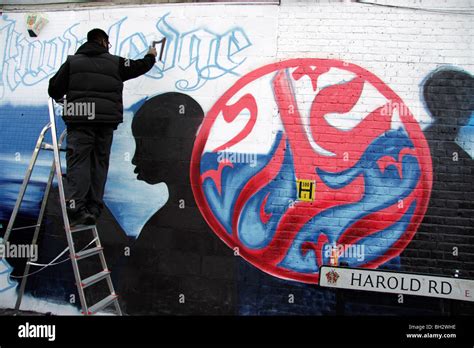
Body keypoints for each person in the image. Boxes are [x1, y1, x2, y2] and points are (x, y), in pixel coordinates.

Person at [48, 28, 157, 226]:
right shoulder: (116, 62)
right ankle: (94, 207)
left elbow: (54, 88)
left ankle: (76, 207)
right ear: (104, 42)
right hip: (105, 123)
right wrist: (151, 55)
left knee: (79, 162)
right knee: (99, 163)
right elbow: (139, 66)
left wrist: (62, 98)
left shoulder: (73, 62)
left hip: (80, 121)